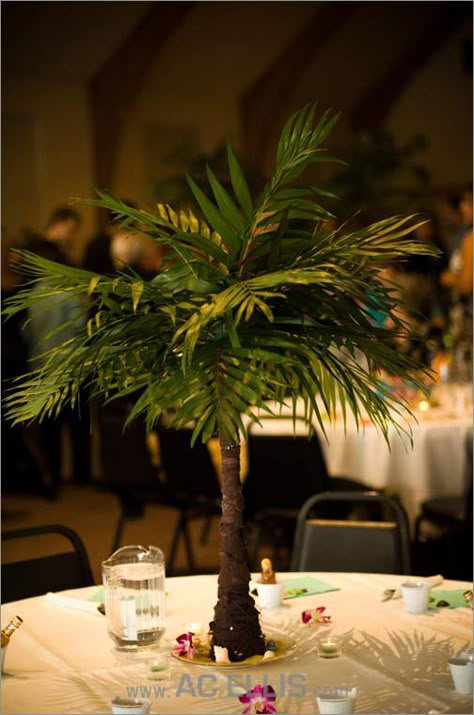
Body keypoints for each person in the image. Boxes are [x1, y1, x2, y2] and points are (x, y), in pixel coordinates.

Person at [22, 207, 91, 494]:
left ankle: (52, 476)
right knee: (76, 425)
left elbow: (26, 331)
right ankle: (81, 476)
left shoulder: (33, 292)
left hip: (40, 365)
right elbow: (80, 326)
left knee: (48, 427)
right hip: (69, 366)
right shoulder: (67, 294)